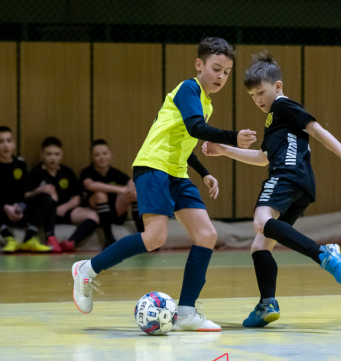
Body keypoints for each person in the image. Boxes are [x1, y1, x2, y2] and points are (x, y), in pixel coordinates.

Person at [71, 37, 257, 332]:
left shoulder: (206, 103)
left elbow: (184, 141)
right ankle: (86, 269)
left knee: (207, 235)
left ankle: (186, 312)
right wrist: (233, 137)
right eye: (216, 69)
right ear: (199, 64)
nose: (221, 76)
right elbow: (196, 128)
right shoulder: (188, 89)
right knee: (155, 237)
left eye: (227, 72)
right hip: (154, 167)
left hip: (177, 173)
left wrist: (204, 172)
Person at [202, 52, 341, 327]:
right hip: (301, 184)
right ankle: (267, 305)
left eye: (260, 92)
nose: (257, 99)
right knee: (260, 246)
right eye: (252, 96)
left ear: (277, 86)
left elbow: (316, 129)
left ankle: (322, 253)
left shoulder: (283, 106)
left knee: (261, 221)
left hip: (286, 175)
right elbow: (263, 158)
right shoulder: (274, 119)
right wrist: (224, 150)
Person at [0, 126, 53, 253]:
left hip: (18, 211)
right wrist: (5, 207)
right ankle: (9, 238)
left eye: (8, 141)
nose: (5, 145)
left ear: (14, 144)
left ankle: (29, 239)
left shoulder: (21, 163)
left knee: (46, 198)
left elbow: (24, 191)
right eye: (1, 141)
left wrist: (20, 206)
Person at [28, 137, 99, 253]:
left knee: (93, 216)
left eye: (56, 154)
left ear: (61, 155)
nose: (53, 158)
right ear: (42, 155)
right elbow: (26, 195)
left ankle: (70, 242)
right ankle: (50, 238)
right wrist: (39, 190)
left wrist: (65, 207)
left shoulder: (67, 172)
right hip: (45, 214)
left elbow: (77, 197)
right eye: (49, 154)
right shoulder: (35, 173)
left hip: (64, 211)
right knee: (48, 201)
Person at [79, 139, 143, 249]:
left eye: (104, 153)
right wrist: (119, 189)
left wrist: (130, 187)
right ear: (92, 158)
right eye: (97, 155)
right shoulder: (87, 172)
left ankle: (143, 234)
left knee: (133, 193)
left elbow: (130, 182)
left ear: (110, 155)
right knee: (100, 195)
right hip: (96, 215)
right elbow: (90, 185)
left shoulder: (115, 172)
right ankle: (108, 238)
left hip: (115, 212)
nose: (101, 157)